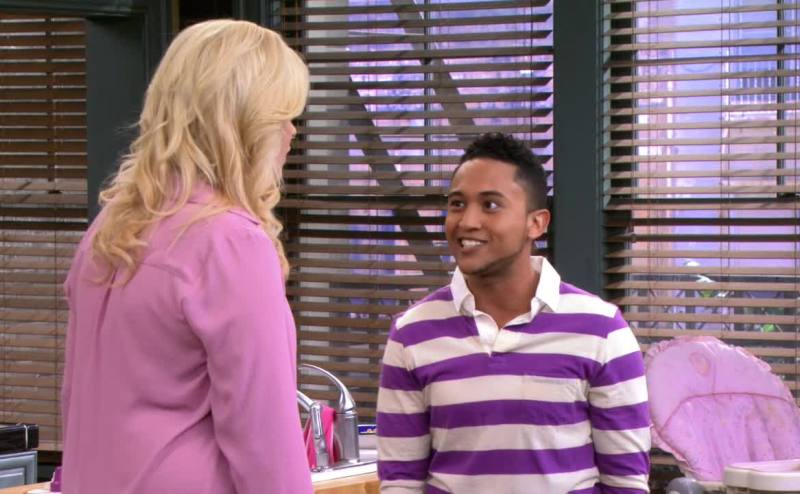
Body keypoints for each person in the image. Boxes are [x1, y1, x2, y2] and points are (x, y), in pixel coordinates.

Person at [61, 19, 313, 493]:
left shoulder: (110, 230)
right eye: (282, 117)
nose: (290, 133)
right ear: (244, 125)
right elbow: (265, 444)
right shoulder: (230, 242)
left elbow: (79, 402)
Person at [376, 133, 651, 493]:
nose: (467, 221)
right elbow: (401, 484)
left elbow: (625, 484)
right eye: (457, 204)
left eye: (490, 205)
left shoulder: (602, 330)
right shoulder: (412, 333)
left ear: (536, 223)